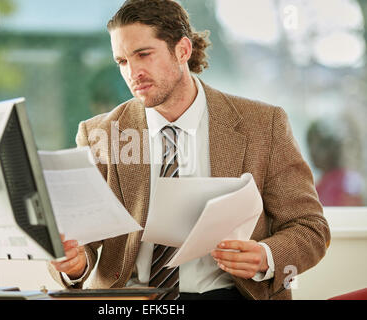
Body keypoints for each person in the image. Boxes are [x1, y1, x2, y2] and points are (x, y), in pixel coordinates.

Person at [48, 0, 330, 300]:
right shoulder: (100, 135)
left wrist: (265, 255)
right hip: (130, 300)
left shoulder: (263, 125)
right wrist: (74, 265)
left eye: (143, 54)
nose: (133, 72)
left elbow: (310, 226)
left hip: (229, 294)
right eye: (122, 61)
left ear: (182, 50)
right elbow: (80, 241)